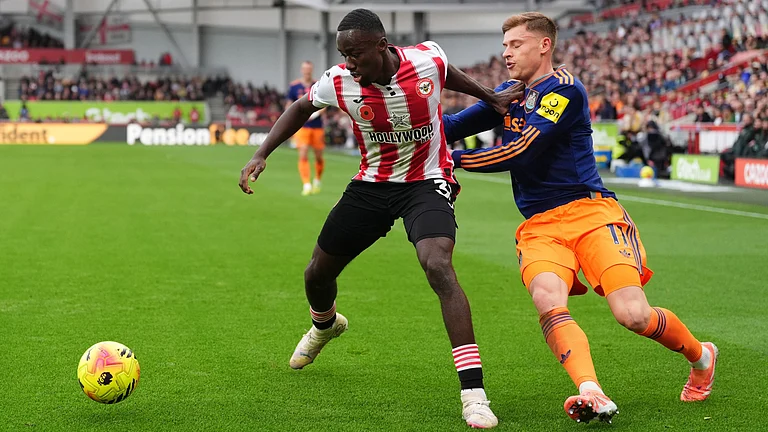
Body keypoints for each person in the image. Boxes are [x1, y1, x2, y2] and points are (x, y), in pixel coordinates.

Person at [239, 8, 522, 429]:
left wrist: (490, 97)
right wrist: (261, 153)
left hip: (427, 180)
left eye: (355, 54)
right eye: (343, 55)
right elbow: (301, 108)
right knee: (316, 274)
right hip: (372, 185)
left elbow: (450, 75)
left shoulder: (427, 59)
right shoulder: (338, 81)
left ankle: (474, 394)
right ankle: (325, 326)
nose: (349, 64)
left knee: (438, 265)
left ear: (382, 46)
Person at [442, 12, 718, 425]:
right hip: (539, 225)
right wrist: (405, 122)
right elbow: (451, 126)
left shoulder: (564, 91)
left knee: (633, 315)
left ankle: (701, 356)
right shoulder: (507, 93)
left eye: (515, 45)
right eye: (504, 47)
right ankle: (590, 389)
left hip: (591, 213)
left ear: (543, 45)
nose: (506, 53)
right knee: (546, 300)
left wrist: (453, 160)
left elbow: (521, 150)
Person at [286, 61, 326, 195]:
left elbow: (325, 104)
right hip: (302, 126)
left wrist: (315, 114)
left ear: (312, 70)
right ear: (302, 70)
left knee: (318, 156)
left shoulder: (318, 84)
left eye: (309, 69)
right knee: (303, 152)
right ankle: (306, 184)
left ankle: (317, 180)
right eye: (305, 69)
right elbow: (289, 105)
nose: (307, 71)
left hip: (317, 126)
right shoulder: (294, 86)